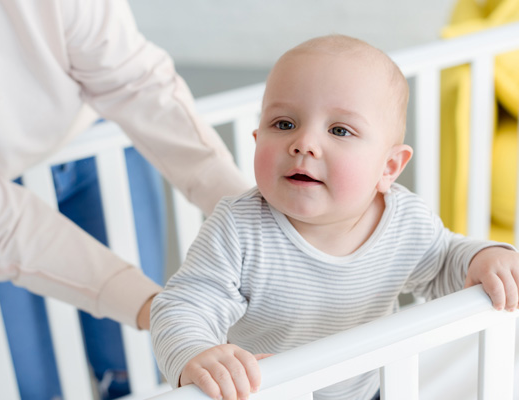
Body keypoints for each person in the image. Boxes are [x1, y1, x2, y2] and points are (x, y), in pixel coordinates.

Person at [150, 34, 519, 400]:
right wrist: (195, 353)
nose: (304, 143)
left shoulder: (403, 221)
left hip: (371, 387)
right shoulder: (239, 229)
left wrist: (484, 257)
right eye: (283, 124)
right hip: (268, 392)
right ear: (256, 136)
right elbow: (184, 306)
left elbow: (445, 262)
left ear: (388, 167)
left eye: (339, 130)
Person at [0, 0, 250, 398]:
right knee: (24, 385)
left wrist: (263, 230)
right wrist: (163, 313)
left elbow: (140, 87)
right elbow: (3, 226)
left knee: (135, 365)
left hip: (96, 139)